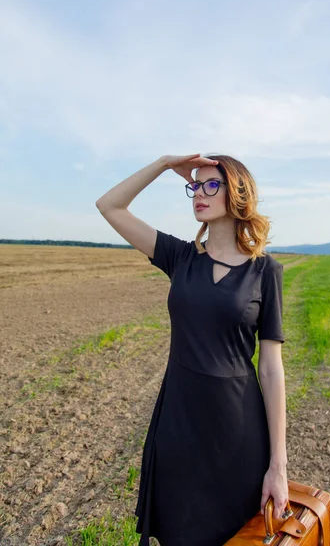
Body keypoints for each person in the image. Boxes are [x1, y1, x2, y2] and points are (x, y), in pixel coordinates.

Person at [96, 153, 288, 546]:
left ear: (237, 192)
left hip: (238, 429)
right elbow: (109, 206)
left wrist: (278, 466)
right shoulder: (180, 257)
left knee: (235, 533)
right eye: (195, 186)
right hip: (179, 424)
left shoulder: (265, 271)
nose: (198, 193)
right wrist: (164, 164)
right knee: (180, 531)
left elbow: (270, 369)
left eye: (210, 185)